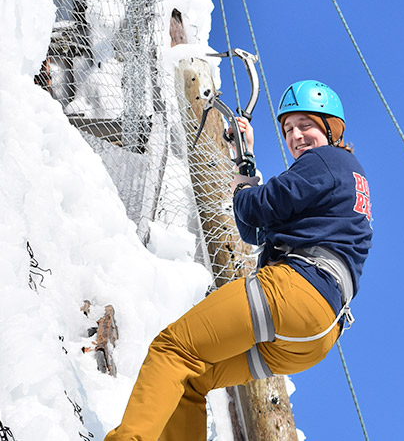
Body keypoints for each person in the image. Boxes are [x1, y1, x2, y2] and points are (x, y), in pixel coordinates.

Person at [105, 80, 373, 441]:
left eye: (306, 125)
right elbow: (255, 231)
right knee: (194, 380)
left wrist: (244, 186)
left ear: (330, 127)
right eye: (289, 129)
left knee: (172, 349)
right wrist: (244, 162)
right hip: (316, 333)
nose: (296, 136)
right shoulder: (342, 179)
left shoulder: (325, 159)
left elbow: (256, 206)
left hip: (294, 290)